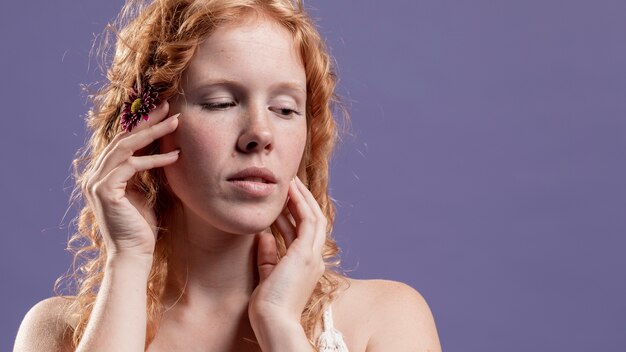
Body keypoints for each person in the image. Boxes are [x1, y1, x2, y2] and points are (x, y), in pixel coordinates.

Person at [13, 0, 441, 351]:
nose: (260, 133)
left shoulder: (385, 318)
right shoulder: (55, 333)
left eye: (285, 109)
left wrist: (279, 325)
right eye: (220, 103)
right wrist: (127, 258)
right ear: (145, 133)